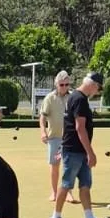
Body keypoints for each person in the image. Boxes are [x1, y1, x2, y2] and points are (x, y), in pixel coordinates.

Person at [50, 71, 108, 218]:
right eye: (98, 88)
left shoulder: (75, 97)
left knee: (85, 185)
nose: (97, 92)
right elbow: (79, 128)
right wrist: (90, 153)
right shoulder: (79, 99)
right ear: (93, 84)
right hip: (75, 150)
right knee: (67, 184)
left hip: (77, 149)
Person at [39, 71, 71, 201]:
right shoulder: (49, 98)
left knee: (69, 166)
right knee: (55, 165)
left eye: (67, 84)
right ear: (56, 84)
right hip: (55, 138)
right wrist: (43, 131)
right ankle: (54, 192)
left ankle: (68, 193)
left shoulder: (72, 97)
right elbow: (42, 117)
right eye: (61, 84)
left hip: (69, 138)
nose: (64, 87)